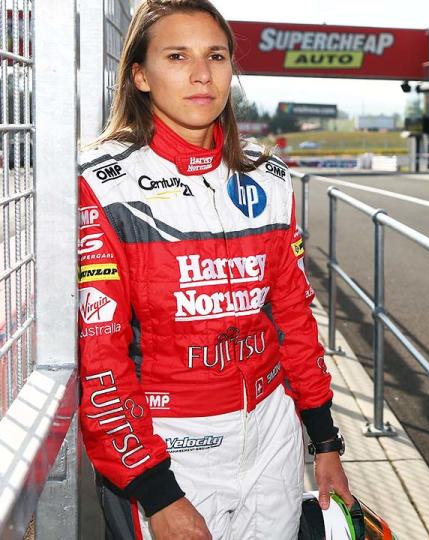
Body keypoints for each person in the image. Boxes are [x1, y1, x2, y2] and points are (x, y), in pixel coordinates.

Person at [77, 2, 352, 539]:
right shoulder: (103, 183)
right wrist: (156, 490)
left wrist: (324, 443)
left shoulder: (269, 176)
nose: (202, 73)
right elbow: (101, 356)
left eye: (216, 56)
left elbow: (293, 319)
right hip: (169, 444)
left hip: (272, 432)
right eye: (177, 56)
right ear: (139, 75)